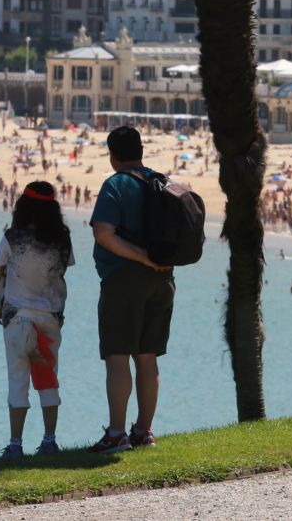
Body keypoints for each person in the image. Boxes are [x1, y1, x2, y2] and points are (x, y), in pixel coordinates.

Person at [87, 126, 173, 454]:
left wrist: (140, 256)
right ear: (141, 150)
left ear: (113, 155)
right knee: (148, 357)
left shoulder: (115, 185)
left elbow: (103, 233)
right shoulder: (161, 182)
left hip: (123, 280)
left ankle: (116, 434)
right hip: (163, 281)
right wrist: (154, 260)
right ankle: (143, 431)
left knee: (118, 356)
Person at [0, 180, 74, 459]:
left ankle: (15, 445)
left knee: (18, 381)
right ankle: (49, 441)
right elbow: (67, 265)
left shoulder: (13, 237)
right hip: (49, 318)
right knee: (48, 380)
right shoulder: (62, 239)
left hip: (17, 318)